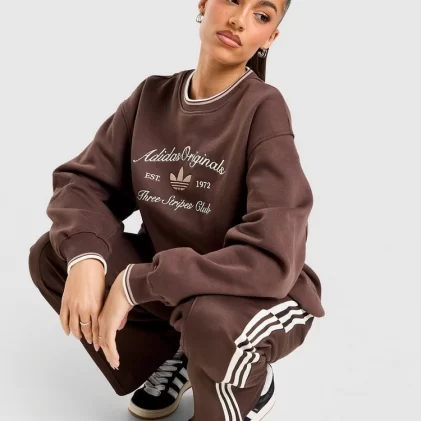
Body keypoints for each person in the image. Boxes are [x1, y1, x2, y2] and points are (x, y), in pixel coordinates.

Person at [28, 1, 325, 420]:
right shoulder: (152, 97)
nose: (239, 20)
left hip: (263, 294)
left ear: (270, 38)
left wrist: (136, 283)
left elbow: (271, 256)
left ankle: (249, 376)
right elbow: (83, 183)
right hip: (181, 287)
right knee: (54, 254)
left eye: (262, 15)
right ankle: (183, 354)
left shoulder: (263, 109)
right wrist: (86, 257)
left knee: (209, 319)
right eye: (232, 0)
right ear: (203, 4)